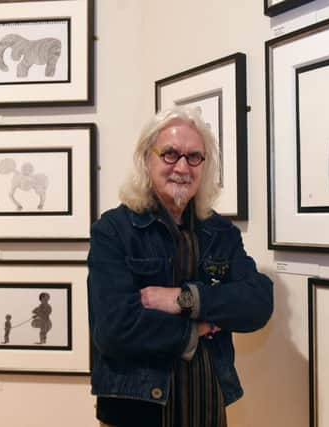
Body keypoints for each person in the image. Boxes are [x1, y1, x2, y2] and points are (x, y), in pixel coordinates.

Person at [87, 106, 274, 427]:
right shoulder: (113, 230)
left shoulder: (221, 232)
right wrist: (196, 328)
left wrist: (183, 299)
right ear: (147, 159)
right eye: (170, 154)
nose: (182, 167)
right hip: (136, 410)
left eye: (194, 157)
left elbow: (257, 304)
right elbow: (114, 329)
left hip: (208, 405)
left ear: (205, 165)